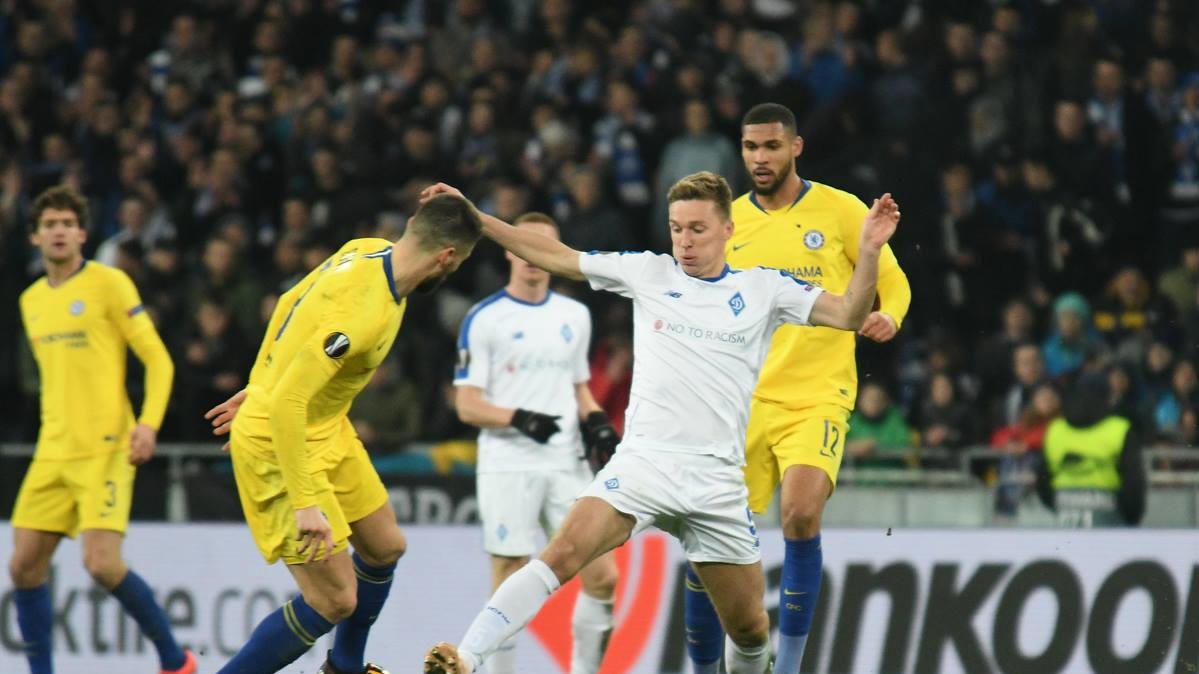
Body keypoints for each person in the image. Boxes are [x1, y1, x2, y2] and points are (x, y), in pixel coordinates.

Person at [420, 171, 900, 674]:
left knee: (750, 630)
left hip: (716, 481)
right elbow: (556, 255)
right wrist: (475, 218)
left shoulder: (765, 289)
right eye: (676, 229)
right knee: (562, 553)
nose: (685, 241)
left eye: (697, 229)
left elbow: (849, 314)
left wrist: (868, 251)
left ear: (728, 229)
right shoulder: (648, 273)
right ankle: (466, 656)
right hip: (644, 465)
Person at [201, 193, 483, 674]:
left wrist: (264, 378)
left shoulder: (366, 248)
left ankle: (344, 667)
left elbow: (291, 303)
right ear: (447, 257)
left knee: (385, 546)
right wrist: (305, 502)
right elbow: (288, 403)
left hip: (325, 424)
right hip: (281, 437)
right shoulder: (362, 316)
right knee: (333, 600)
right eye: (459, 264)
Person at [685, 102, 911, 674]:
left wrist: (890, 315)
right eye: (750, 148)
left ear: (795, 147)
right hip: (741, 400)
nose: (760, 158)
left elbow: (893, 281)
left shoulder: (840, 209)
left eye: (771, 146)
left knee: (801, 514)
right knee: (709, 542)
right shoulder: (728, 222)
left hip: (818, 395)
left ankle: (787, 668)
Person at [8, 186, 195, 674]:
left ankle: (176, 662)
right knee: (23, 566)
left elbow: (158, 361)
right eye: (50, 224)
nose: (59, 231)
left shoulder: (110, 284)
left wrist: (148, 424)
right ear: (34, 237)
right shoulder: (31, 301)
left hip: (107, 447)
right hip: (53, 450)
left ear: (83, 234)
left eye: (68, 223)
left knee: (102, 564)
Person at [453, 212, 620, 674]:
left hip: (567, 462)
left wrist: (597, 421)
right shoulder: (485, 318)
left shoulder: (575, 315)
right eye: (523, 245)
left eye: (544, 246)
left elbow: (578, 385)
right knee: (510, 572)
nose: (533, 256)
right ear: (510, 251)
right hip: (508, 462)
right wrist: (517, 418)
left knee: (603, 575)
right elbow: (466, 404)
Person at [1036, 372, 1146, 527]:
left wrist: (1059, 505)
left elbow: (1042, 479)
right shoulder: (1119, 430)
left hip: (1066, 520)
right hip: (1110, 521)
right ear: (1107, 396)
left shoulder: (1056, 430)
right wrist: (1130, 518)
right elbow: (1133, 482)